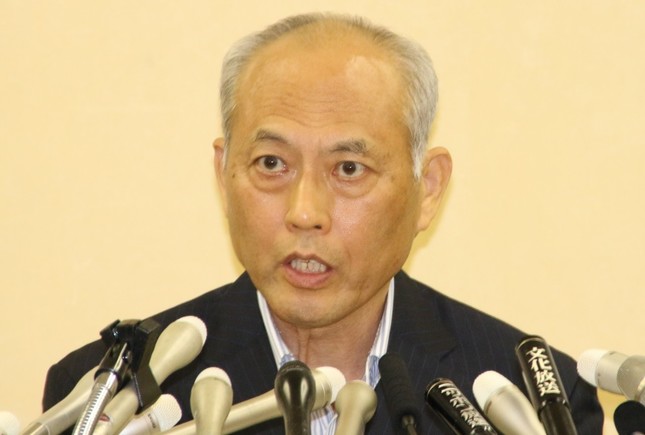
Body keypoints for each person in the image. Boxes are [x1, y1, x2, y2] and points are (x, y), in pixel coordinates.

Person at [42, 12, 604, 434]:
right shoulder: (111, 400)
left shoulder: (533, 403)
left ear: (427, 189)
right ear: (224, 173)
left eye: (349, 169)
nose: (304, 212)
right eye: (271, 164)